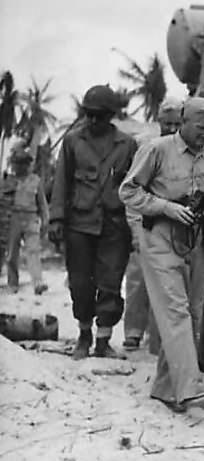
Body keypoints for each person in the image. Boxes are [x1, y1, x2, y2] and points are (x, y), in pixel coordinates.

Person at [119, 98, 204, 411]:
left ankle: (166, 387)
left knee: (191, 313)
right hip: (159, 239)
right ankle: (190, 388)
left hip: (195, 242)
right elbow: (128, 192)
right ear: (184, 122)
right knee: (176, 311)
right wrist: (165, 207)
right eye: (201, 128)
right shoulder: (156, 150)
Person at [49, 84, 137, 359]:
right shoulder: (73, 141)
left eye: (100, 115)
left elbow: (136, 187)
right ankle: (84, 336)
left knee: (111, 283)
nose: (93, 120)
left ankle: (103, 340)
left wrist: (135, 229)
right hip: (79, 223)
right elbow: (61, 181)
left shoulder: (127, 144)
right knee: (80, 283)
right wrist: (56, 219)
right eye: (89, 114)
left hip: (114, 225)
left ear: (111, 115)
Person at [124, 98, 184, 349]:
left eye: (176, 123)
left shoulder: (184, 150)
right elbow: (132, 191)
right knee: (137, 278)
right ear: (159, 121)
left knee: (167, 284)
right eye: (166, 123)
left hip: (172, 223)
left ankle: (157, 336)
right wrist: (135, 227)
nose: (170, 128)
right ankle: (133, 331)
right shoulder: (145, 146)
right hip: (145, 219)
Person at [5, 142, 49, 294]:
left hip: (31, 218)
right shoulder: (8, 181)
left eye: (24, 163)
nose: (21, 166)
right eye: (18, 163)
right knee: (12, 254)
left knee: (33, 251)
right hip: (13, 218)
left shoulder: (35, 181)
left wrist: (45, 221)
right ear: (14, 164)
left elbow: (42, 203)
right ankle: (12, 283)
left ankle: (37, 283)